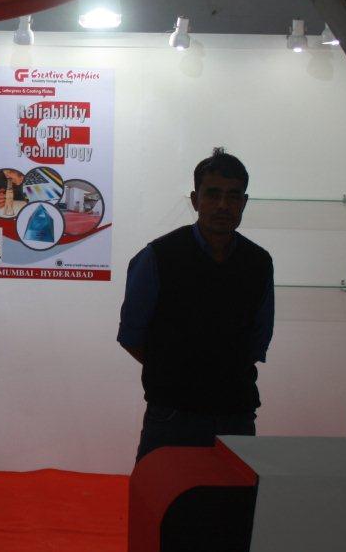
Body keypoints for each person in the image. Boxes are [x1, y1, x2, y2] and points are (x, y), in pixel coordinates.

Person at [117, 148, 274, 463]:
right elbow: (131, 336)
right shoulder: (158, 257)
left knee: (233, 496)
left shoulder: (258, 262)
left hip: (235, 415)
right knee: (164, 494)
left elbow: (258, 339)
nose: (223, 205)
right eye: (213, 194)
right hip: (172, 416)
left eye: (233, 196)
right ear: (195, 199)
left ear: (244, 202)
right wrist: (175, 372)